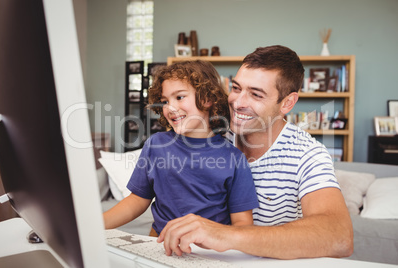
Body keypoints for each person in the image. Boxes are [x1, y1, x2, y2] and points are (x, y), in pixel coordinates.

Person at [157, 45, 354, 259]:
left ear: (287, 103)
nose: (238, 103)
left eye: (256, 94)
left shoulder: (307, 154)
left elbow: (340, 238)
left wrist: (227, 235)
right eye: (236, 88)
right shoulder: (208, 133)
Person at [103, 60, 259, 236]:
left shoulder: (234, 159)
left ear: (207, 99)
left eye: (179, 97)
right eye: (164, 101)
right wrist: (95, 224)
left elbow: (242, 224)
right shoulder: (156, 145)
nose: (170, 108)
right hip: (159, 245)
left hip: (208, 253)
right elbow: (137, 200)